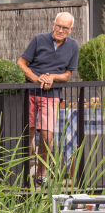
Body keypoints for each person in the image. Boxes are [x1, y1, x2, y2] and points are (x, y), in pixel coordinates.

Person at [17, 12, 79, 187]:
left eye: (65, 27)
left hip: (51, 95)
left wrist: (52, 77)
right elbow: (21, 64)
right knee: (26, 133)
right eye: (58, 26)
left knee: (46, 136)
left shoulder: (73, 46)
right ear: (53, 24)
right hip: (29, 91)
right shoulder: (39, 39)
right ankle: (23, 173)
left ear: (71, 29)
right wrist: (38, 80)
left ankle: (41, 172)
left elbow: (67, 75)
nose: (60, 30)